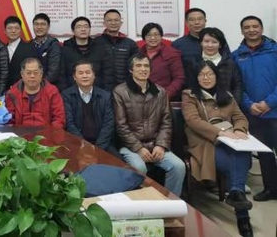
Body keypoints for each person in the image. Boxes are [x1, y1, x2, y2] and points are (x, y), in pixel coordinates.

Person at [182, 61, 253, 237]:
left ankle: (236, 193)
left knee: (242, 153)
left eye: (210, 74)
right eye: (202, 74)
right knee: (238, 163)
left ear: (216, 76)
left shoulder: (226, 95)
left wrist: (239, 129)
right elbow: (193, 121)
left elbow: (240, 117)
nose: (206, 78)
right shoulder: (189, 95)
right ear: (196, 77)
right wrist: (220, 133)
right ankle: (243, 218)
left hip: (230, 142)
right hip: (204, 143)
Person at [113, 54, 185, 196]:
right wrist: (139, 148)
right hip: (130, 147)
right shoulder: (120, 91)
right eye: (138, 66)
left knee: (179, 166)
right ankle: (143, 203)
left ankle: (171, 202)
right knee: (139, 168)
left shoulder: (160, 92)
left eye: (146, 66)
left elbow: (166, 122)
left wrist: (161, 145)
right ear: (131, 70)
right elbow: (121, 126)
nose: (143, 69)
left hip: (155, 144)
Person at [232, 15, 277, 202]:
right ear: (242, 31)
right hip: (254, 113)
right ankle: (271, 189)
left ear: (262, 28)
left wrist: (269, 102)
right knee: (265, 154)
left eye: (255, 26)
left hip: (274, 110)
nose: (251, 30)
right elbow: (237, 85)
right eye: (247, 27)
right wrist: (249, 104)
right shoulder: (236, 56)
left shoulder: (274, 51)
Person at [62, 61, 117, 156]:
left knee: (118, 162)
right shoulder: (67, 95)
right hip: (77, 143)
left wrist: (98, 148)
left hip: (102, 144)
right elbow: (69, 124)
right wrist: (84, 145)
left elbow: (109, 124)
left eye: (88, 72)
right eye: (80, 73)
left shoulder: (105, 96)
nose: (85, 76)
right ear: (74, 77)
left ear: (94, 75)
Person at [5, 58, 65, 128]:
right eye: (28, 73)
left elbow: (59, 118)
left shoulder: (52, 92)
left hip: (47, 132)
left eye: (35, 72)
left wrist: (51, 133)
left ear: (41, 74)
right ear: (22, 74)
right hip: (20, 133)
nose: (32, 76)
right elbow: (9, 120)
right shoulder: (12, 94)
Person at [173, 8, 230, 79]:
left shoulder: (217, 39)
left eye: (200, 19)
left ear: (205, 21)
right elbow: (176, 70)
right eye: (192, 20)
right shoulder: (178, 44)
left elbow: (227, 60)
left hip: (218, 82)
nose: (197, 22)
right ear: (186, 23)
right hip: (190, 84)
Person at [138, 23, 185, 101]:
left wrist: (165, 95)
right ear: (144, 37)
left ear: (161, 36)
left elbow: (179, 78)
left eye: (156, 35)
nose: (153, 38)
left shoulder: (172, 53)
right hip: (141, 98)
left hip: (164, 98)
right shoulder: (138, 54)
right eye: (149, 35)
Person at [198, 27, 243, 105]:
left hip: (226, 105)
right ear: (201, 43)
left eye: (214, 42)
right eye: (206, 41)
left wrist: (234, 105)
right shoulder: (194, 62)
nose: (210, 45)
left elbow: (237, 85)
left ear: (220, 45)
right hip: (201, 106)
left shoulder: (229, 63)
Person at [59, 16, 106, 91]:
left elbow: (106, 72)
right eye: (79, 27)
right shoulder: (65, 49)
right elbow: (62, 75)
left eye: (86, 27)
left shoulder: (99, 48)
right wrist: (65, 92)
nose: (83, 29)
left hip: (97, 91)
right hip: (72, 92)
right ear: (73, 31)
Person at [96, 9, 138, 91]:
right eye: (109, 20)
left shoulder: (130, 44)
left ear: (121, 23)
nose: (113, 23)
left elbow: (136, 67)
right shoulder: (96, 42)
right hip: (102, 89)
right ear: (104, 23)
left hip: (125, 89)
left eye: (116, 20)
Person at [4, 16, 37, 90]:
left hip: (23, 89)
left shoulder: (30, 48)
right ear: (5, 31)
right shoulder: (1, 49)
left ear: (21, 30)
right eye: (10, 28)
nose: (13, 31)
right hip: (4, 90)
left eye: (16, 28)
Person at [31, 13, 61, 85]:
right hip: (32, 84)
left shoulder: (53, 44)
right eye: (36, 24)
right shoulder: (29, 44)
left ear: (48, 26)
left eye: (43, 24)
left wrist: (40, 85)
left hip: (48, 85)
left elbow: (53, 71)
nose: (39, 27)